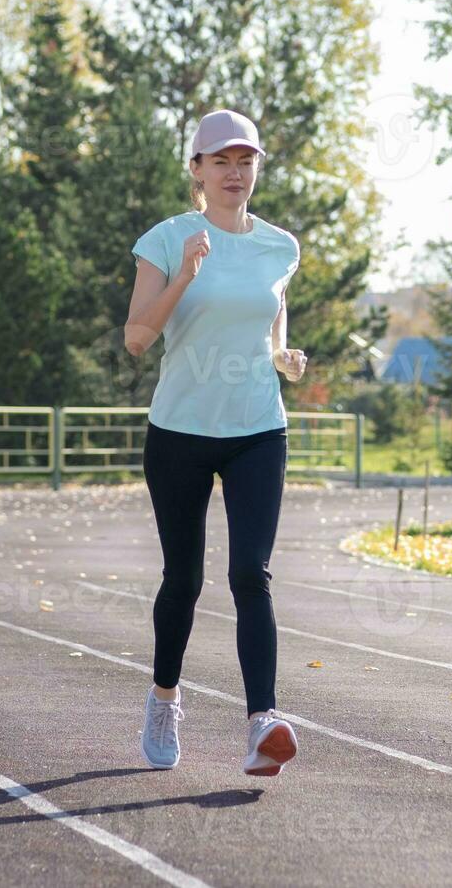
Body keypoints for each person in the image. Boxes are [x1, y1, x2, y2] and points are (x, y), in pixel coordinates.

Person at [124, 109, 307, 776]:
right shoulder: (169, 238)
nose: (235, 172)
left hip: (258, 428)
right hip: (180, 432)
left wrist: (284, 358)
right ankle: (164, 697)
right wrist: (184, 278)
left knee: (250, 575)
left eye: (246, 160)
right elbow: (136, 339)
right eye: (221, 161)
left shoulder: (279, 247)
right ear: (196, 169)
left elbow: (270, 325)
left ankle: (263, 722)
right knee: (185, 579)